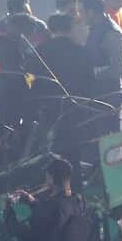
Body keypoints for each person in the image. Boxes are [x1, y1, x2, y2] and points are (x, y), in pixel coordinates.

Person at [36, 14, 96, 154]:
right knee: (72, 147)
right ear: (70, 29)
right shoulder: (81, 51)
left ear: (50, 29)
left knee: (49, 147)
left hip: (48, 106)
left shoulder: (39, 51)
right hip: (76, 104)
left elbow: (34, 81)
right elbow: (90, 79)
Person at [81, 0, 122, 138]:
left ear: (91, 12)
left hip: (109, 97)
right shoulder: (94, 29)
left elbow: (120, 69)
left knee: (109, 145)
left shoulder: (111, 32)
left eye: (81, 11)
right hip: (96, 95)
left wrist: (91, 73)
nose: (79, 15)